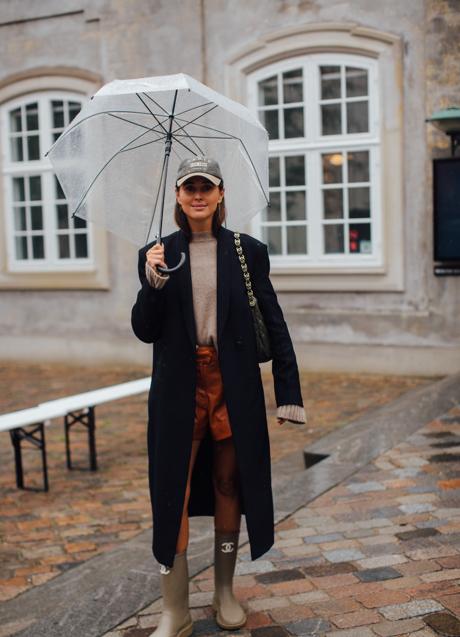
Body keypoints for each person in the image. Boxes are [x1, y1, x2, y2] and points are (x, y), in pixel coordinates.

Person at [131, 157, 305, 637]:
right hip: (177, 390)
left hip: (233, 385)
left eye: (207, 187)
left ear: (221, 194)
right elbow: (145, 330)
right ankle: (175, 610)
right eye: (190, 188)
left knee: (231, 484)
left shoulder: (247, 252)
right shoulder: (156, 253)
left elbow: (274, 322)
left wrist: (287, 391)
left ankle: (224, 592)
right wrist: (154, 282)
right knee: (174, 490)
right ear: (179, 197)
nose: (198, 195)